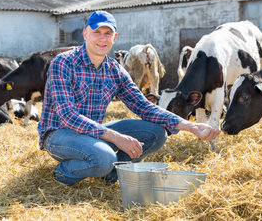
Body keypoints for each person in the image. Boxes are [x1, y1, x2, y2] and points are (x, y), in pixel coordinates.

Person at [38, 10, 220, 185]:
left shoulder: (114, 70)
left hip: (93, 133)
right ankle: (63, 173)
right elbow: (68, 115)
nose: (102, 38)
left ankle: (110, 174)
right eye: (97, 32)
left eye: (108, 34)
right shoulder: (63, 63)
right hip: (60, 134)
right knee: (105, 157)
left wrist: (191, 126)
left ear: (114, 38)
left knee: (157, 133)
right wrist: (116, 138)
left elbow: (144, 107)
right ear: (85, 34)